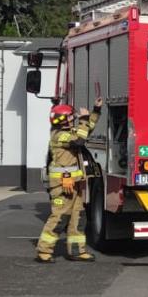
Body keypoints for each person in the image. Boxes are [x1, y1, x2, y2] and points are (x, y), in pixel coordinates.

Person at [36, 102, 99, 263]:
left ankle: (77, 251)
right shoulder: (59, 135)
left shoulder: (67, 131)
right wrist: (84, 118)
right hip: (61, 186)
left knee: (78, 217)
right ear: (64, 120)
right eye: (71, 117)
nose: (74, 119)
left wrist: (96, 110)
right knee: (59, 217)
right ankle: (44, 250)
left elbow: (87, 129)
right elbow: (79, 141)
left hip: (73, 183)